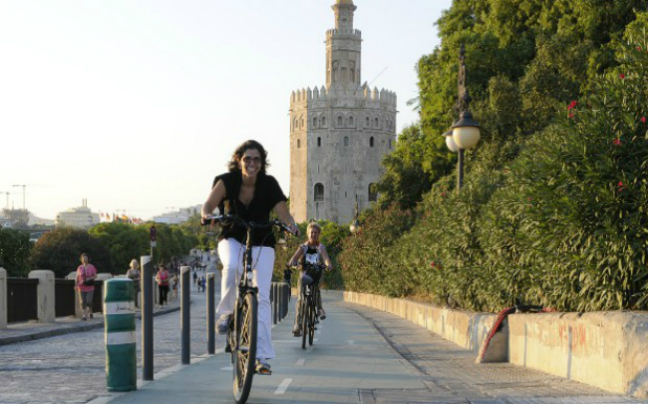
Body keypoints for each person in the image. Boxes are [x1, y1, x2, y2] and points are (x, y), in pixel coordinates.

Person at [201, 139, 298, 376]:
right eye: (247, 159)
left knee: (262, 297)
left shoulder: (269, 184)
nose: (252, 163)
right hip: (232, 236)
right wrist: (206, 215)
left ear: (262, 162)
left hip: (262, 240)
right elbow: (209, 204)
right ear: (239, 160)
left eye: (257, 159)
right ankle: (226, 314)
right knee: (232, 266)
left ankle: (262, 357)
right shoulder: (228, 181)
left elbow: (283, 213)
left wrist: (291, 225)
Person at [288, 222, 332, 337]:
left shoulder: (320, 247)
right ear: (308, 234)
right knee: (300, 298)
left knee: (316, 288)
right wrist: (293, 263)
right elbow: (294, 258)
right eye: (312, 232)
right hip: (304, 275)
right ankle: (297, 324)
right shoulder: (303, 247)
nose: (314, 234)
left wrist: (328, 265)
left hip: (316, 274)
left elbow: (326, 259)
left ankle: (319, 309)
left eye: (316, 233)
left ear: (319, 234)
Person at [75, 253, 97, 321]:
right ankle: (84, 314)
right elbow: (77, 277)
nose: (85, 260)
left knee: (89, 301)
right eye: (83, 259)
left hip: (90, 287)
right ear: (81, 260)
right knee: (83, 301)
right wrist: (76, 285)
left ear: (88, 259)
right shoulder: (80, 267)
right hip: (81, 287)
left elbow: (95, 276)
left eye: (86, 258)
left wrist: (90, 278)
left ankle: (90, 310)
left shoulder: (92, 267)